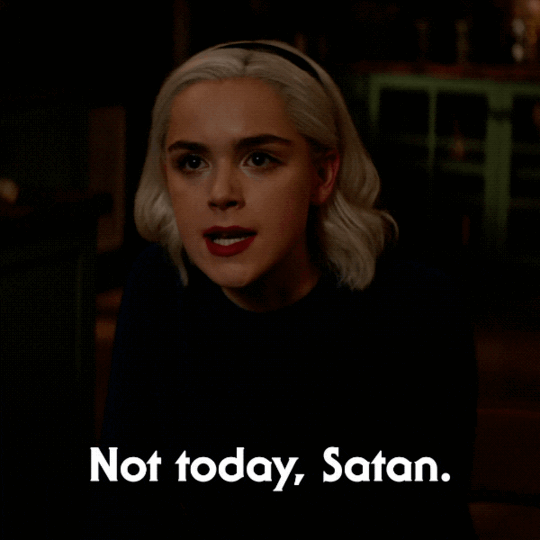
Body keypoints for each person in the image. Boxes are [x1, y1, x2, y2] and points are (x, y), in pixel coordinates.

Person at [87, 41, 477, 539]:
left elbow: (422, 519)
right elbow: (126, 497)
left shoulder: (416, 308)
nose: (221, 194)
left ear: (322, 174)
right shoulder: (158, 283)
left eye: (259, 158)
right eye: (192, 162)